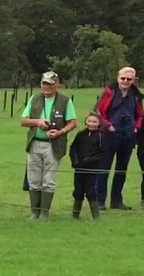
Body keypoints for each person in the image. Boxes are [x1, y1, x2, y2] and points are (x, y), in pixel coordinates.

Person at [20, 71, 77, 220]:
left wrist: (60, 132)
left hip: (54, 145)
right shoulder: (34, 98)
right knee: (33, 179)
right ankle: (35, 212)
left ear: (57, 85)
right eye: (44, 84)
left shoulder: (65, 101)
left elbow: (73, 122)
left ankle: (44, 213)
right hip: (35, 144)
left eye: (50, 84)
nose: (47, 87)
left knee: (49, 180)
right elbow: (23, 120)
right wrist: (37, 122)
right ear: (41, 84)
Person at [92, 67, 144, 210]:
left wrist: (136, 127)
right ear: (118, 78)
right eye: (123, 78)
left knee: (121, 169)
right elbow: (97, 112)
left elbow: (140, 114)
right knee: (104, 168)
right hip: (109, 135)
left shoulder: (136, 95)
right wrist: (108, 126)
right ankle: (99, 200)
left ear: (133, 80)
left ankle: (117, 200)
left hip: (127, 136)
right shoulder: (109, 92)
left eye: (129, 79)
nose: (125, 81)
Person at [69, 111, 106, 220]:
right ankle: (75, 214)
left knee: (90, 191)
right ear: (86, 122)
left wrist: (89, 161)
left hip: (92, 169)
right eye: (89, 121)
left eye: (94, 122)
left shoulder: (100, 136)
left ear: (99, 123)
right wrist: (75, 161)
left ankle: (96, 216)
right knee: (78, 190)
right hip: (79, 168)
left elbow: (102, 154)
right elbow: (73, 148)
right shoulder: (80, 134)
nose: (91, 123)